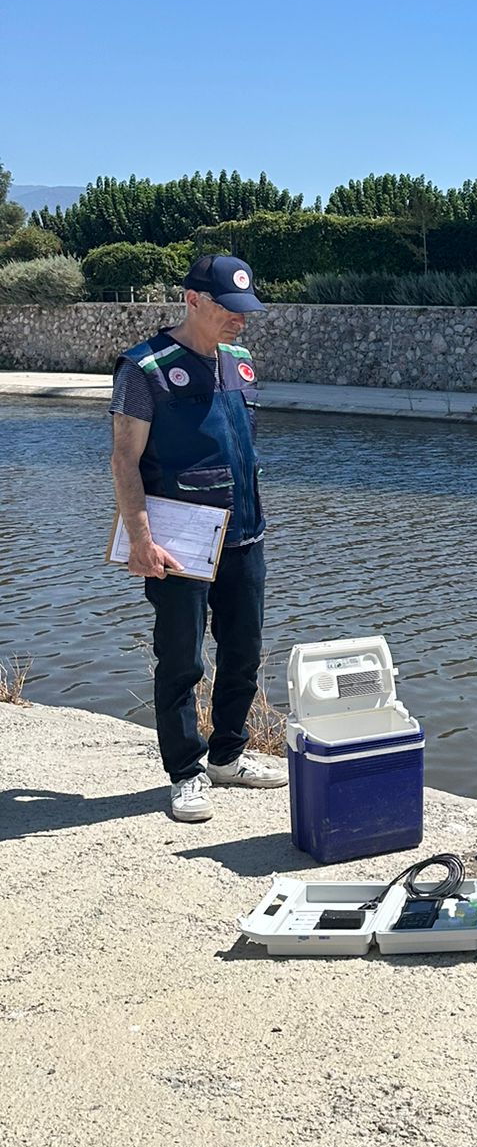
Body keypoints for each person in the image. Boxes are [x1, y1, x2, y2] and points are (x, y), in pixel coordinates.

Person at [110, 253, 285, 821]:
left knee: (244, 652)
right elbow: (124, 460)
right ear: (192, 299)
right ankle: (185, 771)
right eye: (229, 309)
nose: (241, 319)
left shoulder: (240, 362)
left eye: (246, 309)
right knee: (182, 659)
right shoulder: (145, 368)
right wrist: (140, 538)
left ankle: (227, 755)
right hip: (179, 541)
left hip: (244, 534)